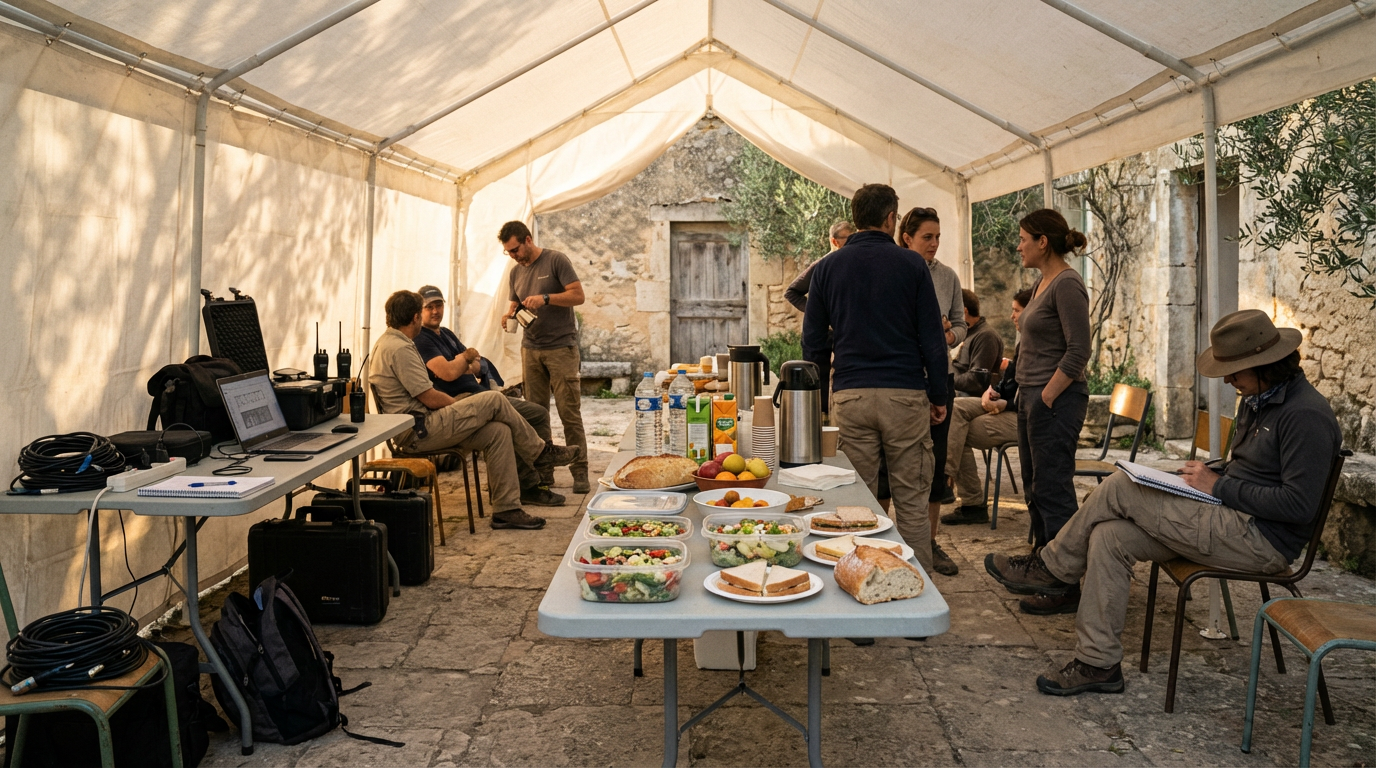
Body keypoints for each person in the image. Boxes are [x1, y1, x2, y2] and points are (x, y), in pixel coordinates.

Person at [985, 310, 1341, 696]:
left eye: (1235, 372)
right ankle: (1098, 663)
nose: (1228, 380)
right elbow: (1249, 469)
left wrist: (1217, 487)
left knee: (1121, 487)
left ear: (1264, 365)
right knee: (1109, 535)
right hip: (1227, 519)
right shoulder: (1260, 400)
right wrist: (1200, 476)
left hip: (1260, 540)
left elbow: (1298, 505)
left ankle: (1052, 567)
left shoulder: (1306, 415)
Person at [803, 184, 948, 572]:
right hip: (904, 395)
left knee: (856, 505)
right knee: (913, 502)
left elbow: (813, 342)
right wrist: (939, 395)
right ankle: (917, 600)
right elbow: (932, 337)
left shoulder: (828, 267)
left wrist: (817, 406)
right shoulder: (912, 265)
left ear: (856, 218)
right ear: (890, 219)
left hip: (851, 395)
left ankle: (858, 593)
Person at [369, 290, 582, 530]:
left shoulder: (394, 342)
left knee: (498, 431)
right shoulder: (400, 348)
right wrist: (459, 404)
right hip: (419, 430)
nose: (435, 312)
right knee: (493, 400)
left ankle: (506, 509)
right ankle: (541, 452)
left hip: (421, 425)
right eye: (428, 309)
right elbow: (429, 397)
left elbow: (471, 367)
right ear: (416, 317)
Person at [412, 284, 565, 507]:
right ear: (419, 312)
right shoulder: (421, 340)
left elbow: (477, 362)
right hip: (459, 403)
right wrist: (464, 361)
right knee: (505, 421)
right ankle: (531, 481)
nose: (435, 311)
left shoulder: (446, 333)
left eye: (438, 305)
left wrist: (465, 362)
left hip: (479, 393)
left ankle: (540, 476)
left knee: (538, 413)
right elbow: (447, 372)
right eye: (429, 307)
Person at [1013, 209, 1091, 554]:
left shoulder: (1067, 283)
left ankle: (1063, 576)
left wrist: (1047, 396)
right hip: (1031, 397)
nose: (1019, 247)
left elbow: (1079, 351)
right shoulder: (1041, 283)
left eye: (1023, 239)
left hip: (1055, 401)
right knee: (1035, 487)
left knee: (1052, 489)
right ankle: (1043, 561)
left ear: (1043, 243)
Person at [896, 206, 966, 577]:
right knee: (893, 467)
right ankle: (887, 542)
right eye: (928, 237)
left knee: (935, 465)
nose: (935, 244)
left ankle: (930, 543)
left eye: (938, 237)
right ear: (907, 237)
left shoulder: (948, 277)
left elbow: (960, 324)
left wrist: (948, 335)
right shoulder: (893, 273)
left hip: (941, 379)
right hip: (904, 381)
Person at [497, 221, 590, 494]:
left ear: (528, 239)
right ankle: (544, 474)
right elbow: (515, 303)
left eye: (515, 249)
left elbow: (578, 296)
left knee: (569, 412)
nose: (513, 256)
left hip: (561, 348)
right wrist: (508, 315)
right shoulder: (515, 272)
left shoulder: (556, 260)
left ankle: (580, 471)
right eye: (508, 252)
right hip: (531, 348)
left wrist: (546, 298)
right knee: (536, 415)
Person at [941, 288, 1030, 529]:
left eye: (1016, 311)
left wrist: (1004, 402)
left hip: (1024, 417)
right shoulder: (1024, 342)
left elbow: (1033, 396)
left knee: (955, 428)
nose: (1011, 316)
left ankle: (960, 492)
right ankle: (949, 483)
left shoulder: (990, 337)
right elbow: (1011, 382)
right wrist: (997, 391)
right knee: (954, 414)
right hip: (994, 402)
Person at [784, 220, 855, 312]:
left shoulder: (855, 262)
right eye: (848, 239)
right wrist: (818, 313)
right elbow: (791, 293)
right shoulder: (821, 266)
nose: (853, 242)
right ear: (834, 241)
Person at [952, 289, 1004, 397]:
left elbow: (976, 381)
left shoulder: (986, 336)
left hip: (969, 396)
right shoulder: (961, 334)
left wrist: (944, 380)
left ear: (963, 311)